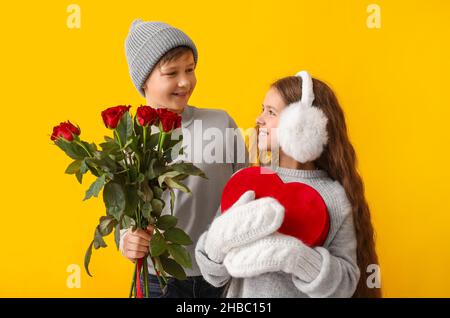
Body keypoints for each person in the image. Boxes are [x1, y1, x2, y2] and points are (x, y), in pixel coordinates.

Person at [195, 71, 381, 297]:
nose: (258, 119)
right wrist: (216, 242)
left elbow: (346, 284)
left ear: (302, 123)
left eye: (271, 112)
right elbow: (214, 275)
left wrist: (297, 257)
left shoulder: (333, 197)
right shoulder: (246, 182)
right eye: (262, 108)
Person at [119, 19, 248, 298]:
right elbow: (124, 213)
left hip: (221, 274)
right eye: (171, 73)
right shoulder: (130, 138)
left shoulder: (220, 123)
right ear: (144, 80)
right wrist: (127, 241)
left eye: (190, 69)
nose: (185, 81)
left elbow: (248, 192)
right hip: (159, 278)